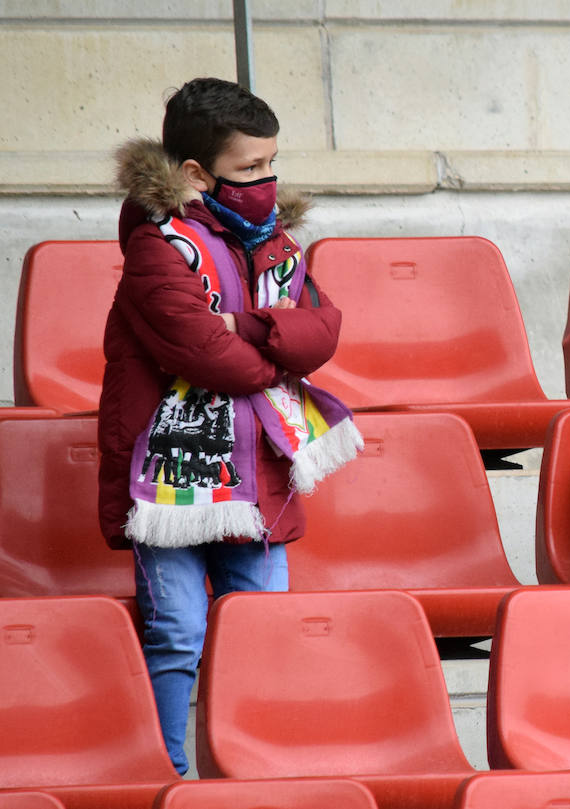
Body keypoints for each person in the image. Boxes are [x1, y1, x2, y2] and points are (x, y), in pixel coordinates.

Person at [100, 77, 357, 773]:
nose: (266, 181)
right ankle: (169, 775)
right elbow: (216, 361)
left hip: (259, 472)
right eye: (248, 169)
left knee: (260, 629)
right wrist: (272, 348)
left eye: (272, 163)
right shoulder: (159, 245)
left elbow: (323, 331)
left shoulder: (276, 243)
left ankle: (253, 768)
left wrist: (245, 324)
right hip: (171, 484)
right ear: (195, 173)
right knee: (179, 631)